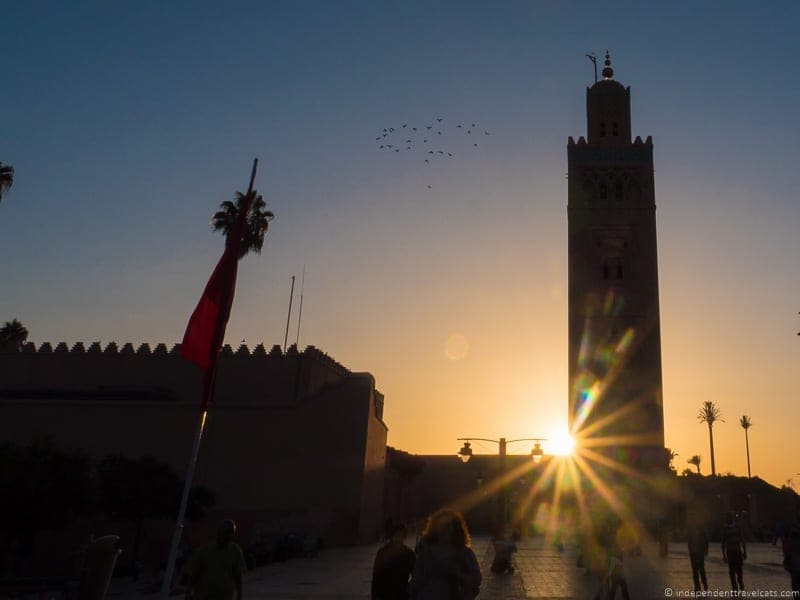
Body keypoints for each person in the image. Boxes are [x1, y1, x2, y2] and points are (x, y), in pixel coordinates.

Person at [410, 508, 481, 600]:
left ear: (455, 528)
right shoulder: (426, 552)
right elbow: (416, 579)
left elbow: (476, 579)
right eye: (440, 525)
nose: (444, 530)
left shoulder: (464, 553)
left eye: (447, 526)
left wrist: (457, 574)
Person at [186, 519, 247, 600]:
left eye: (230, 532)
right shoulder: (204, 551)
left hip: (224, 596)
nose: (227, 535)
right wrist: (188, 593)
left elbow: (238, 575)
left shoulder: (235, 551)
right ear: (219, 532)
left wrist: (239, 595)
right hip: (203, 596)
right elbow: (193, 575)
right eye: (225, 532)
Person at [371, 523, 416, 600]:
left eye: (401, 535)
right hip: (385, 594)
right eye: (397, 535)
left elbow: (416, 575)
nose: (399, 538)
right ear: (392, 536)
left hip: (401, 594)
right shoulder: (383, 552)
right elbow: (376, 576)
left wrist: (409, 590)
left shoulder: (409, 554)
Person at [721, 512, 746, 591]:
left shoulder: (737, 527)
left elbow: (742, 539)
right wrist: (724, 555)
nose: (728, 519)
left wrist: (745, 551)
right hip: (730, 552)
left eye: (729, 518)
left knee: (739, 570)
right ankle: (734, 588)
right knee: (732, 571)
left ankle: (740, 581)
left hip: (737, 551)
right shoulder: (725, 529)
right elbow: (723, 543)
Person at [782, 505, 800, 592]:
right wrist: (786, 556)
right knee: (795, 582)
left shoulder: (791, 526)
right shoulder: (791, 526)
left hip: (794, 558)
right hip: (794, 558)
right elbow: (786, 542)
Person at [687, 524, 709, 592]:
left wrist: (706, 550)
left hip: (699, 552)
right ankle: (697, 586)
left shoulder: (702, 532)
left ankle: (704, 583)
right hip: (693, 552)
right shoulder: (691, 531)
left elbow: (706, 541)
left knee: (701, 569)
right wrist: (690, 550)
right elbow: (689, 541)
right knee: (695, 570)